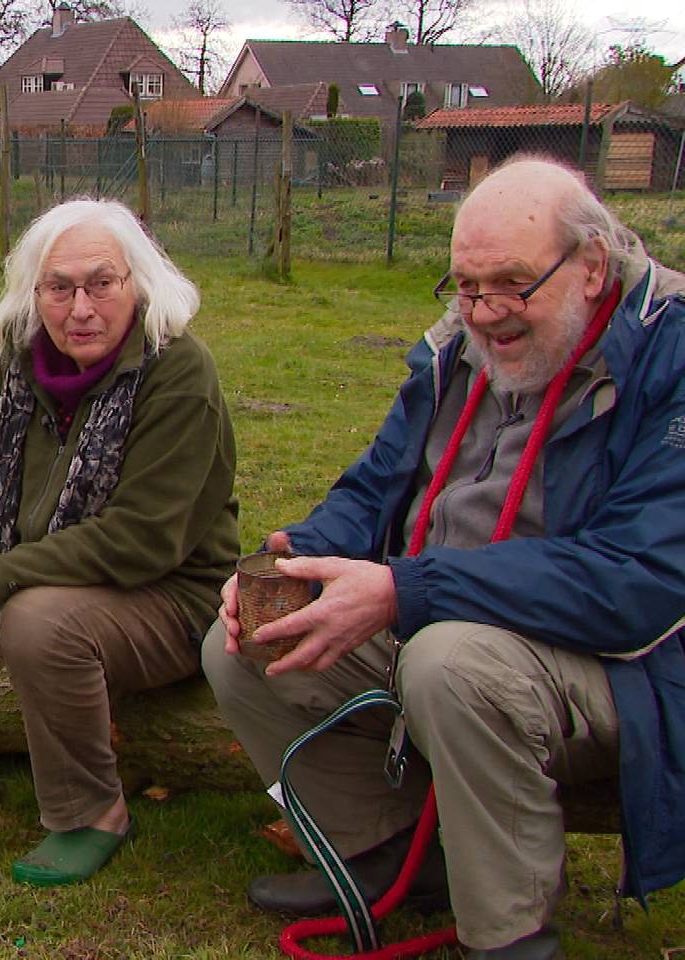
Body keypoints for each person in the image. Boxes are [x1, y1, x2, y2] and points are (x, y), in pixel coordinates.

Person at [203, 157, 685, 959]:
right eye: (465, 285)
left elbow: (639, 582)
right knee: (249, 637)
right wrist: (288, 562)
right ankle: (388, 851)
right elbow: (372, 489)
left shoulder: (670, 358)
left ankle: (510, 937)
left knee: (448, 664)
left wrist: (405, 589)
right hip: (440, 609)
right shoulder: (452, 349)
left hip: (622, 660)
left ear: (592, 267)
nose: (486, 312)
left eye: (513, 284)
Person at [0, 197, 239, 886]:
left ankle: (91, 812)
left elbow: (140, 539)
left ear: (137, 283)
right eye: (60, 288)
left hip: (170, 594)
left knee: (36, 619)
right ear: (35, 293)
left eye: (101, 283)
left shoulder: (179, 372)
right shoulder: (12, 363)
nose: (80, 308)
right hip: (38, 561)